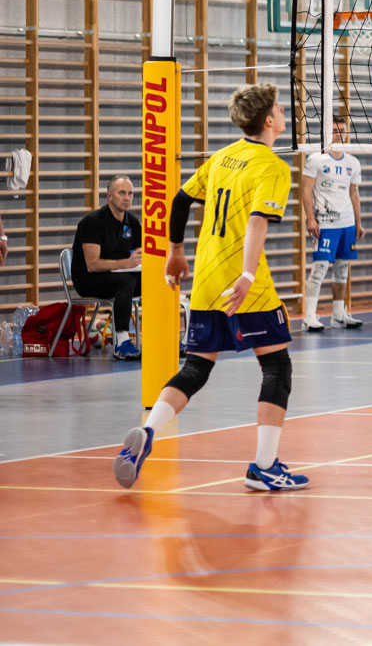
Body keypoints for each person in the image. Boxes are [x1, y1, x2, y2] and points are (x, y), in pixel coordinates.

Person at [112, 83, 310, 492]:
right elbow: (257, 221)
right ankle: (264, 467)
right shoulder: (271, 166)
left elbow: (179, 200)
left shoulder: (221, 157)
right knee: (277, 367)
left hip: (205, 279)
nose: (285, 113)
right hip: (244, 285)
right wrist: (248, 275)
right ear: (268, 120)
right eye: (280, 108)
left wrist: (175, 253)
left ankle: (148, 431)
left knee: (196, 367)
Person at [300, 113, 365, 331]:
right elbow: (306, 190)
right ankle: (309, 317)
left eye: (341, 131)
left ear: (347, 133)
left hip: (347, 224)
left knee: (342, 269)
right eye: (334, 131)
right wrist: (310, 218)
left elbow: (354, 193)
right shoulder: (316, 159)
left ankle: (338, 315)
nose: (338, 134)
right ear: (327, 133)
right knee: (319, 268)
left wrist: (358, 222)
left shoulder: (353, 162)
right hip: (325, 223)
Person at [72, 175, 143, 360]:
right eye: (122, 193)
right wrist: (125, 264)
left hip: (120, 276)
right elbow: (93, 264)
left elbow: (139, 255)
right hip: (88, 279)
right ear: (109, 196)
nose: (127, 198)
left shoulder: (133, 222)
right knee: (126, 281)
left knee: (156, 281)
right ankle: (122, 343)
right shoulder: (92, 222)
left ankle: (163, 336)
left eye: (130, 193)